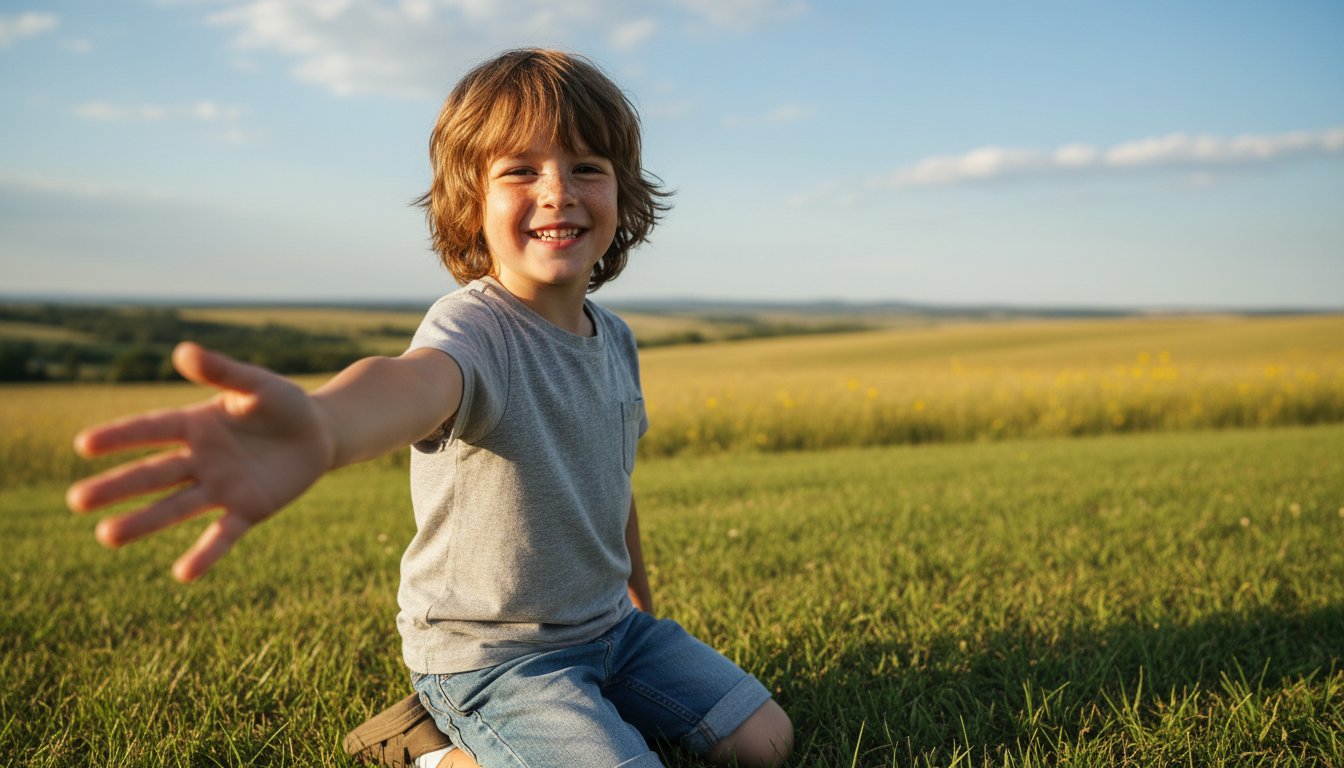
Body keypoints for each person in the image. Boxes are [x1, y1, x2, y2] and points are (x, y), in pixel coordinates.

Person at [66, 48, 793, 768]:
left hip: (612, 630)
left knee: (767, 739)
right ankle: (432, 753)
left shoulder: (618, 341)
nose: (557, 191)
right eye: (520, 170)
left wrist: (640, 601)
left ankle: (581, 710)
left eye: (587, 168)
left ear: (621, 194)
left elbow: (612, 478)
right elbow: (408, 384)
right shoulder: (473, 330)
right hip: (494, 655)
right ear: (469, 201)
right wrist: (324, 427)